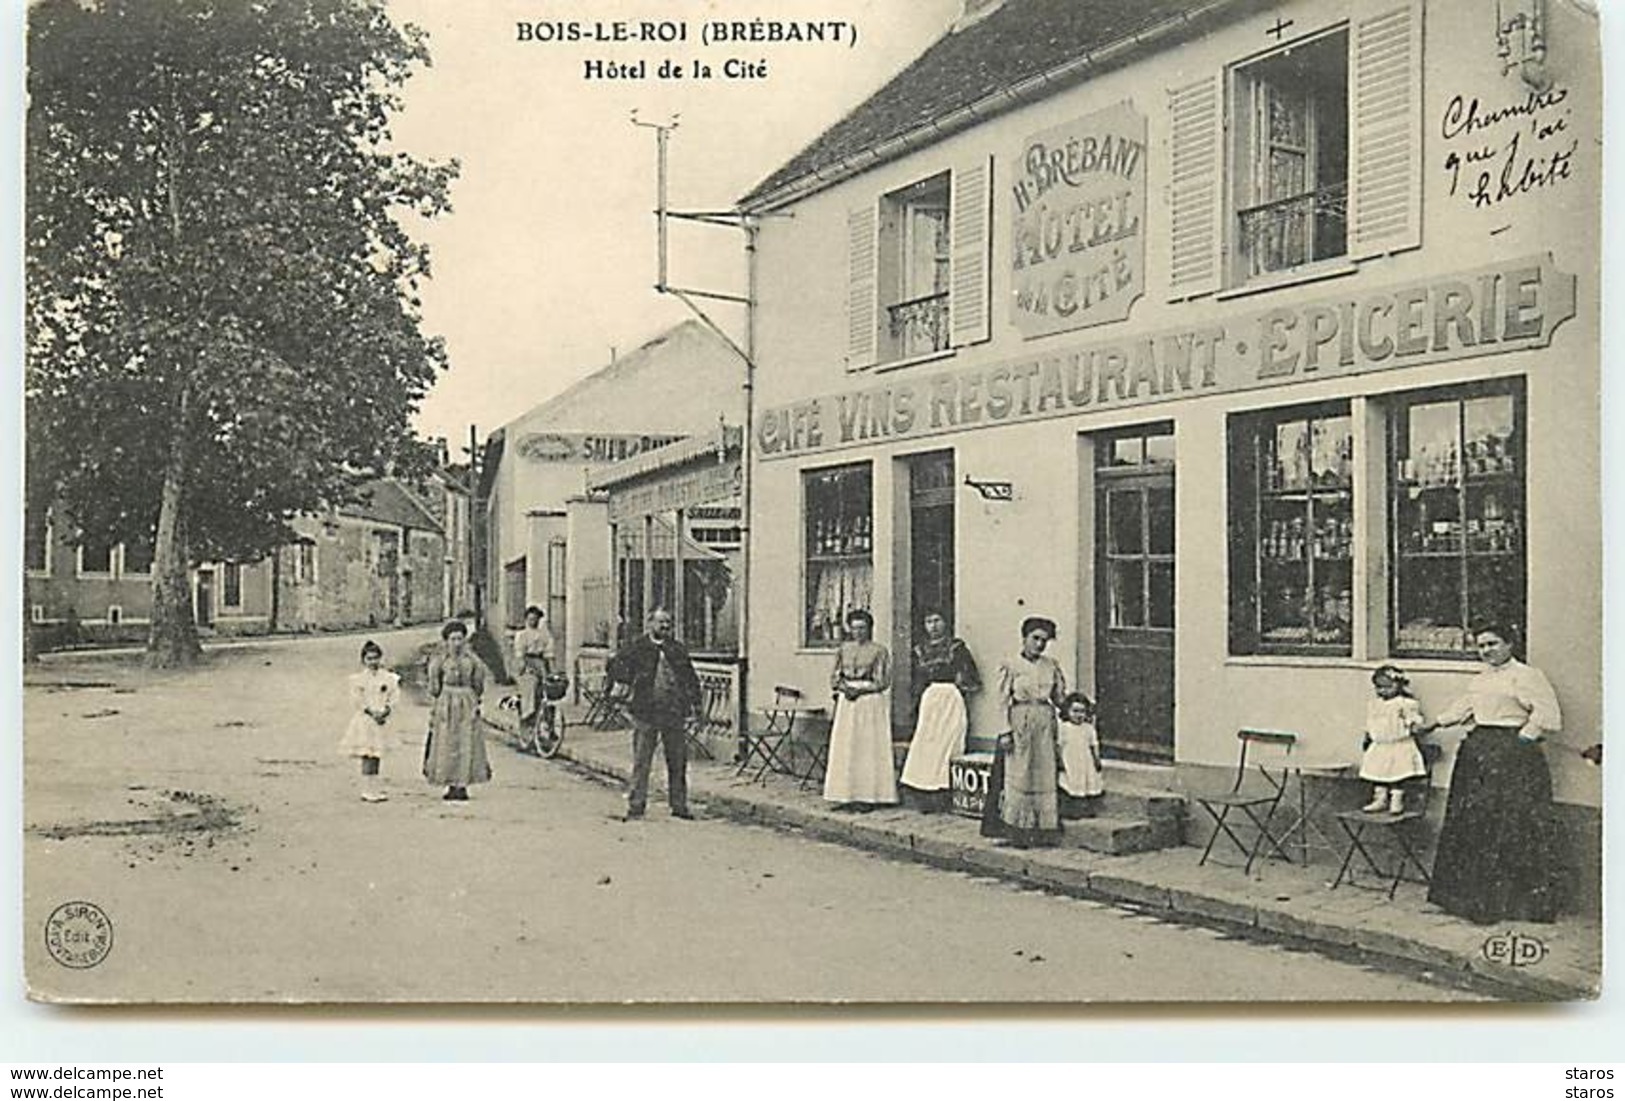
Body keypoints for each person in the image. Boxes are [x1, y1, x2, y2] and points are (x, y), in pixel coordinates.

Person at [1427, 623, 1567, 924]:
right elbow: (1464, 708)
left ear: (1510, 644)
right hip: (1479, 752)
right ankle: (1467, 900)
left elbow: (1549, 715)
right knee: (1473, 820)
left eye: (1492, 644)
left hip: (1512, 754)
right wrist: (1435, 723)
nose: (1486, 651)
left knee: (1508, 823)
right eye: (1481, 646)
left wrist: (1523, 740)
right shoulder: (1481, 679)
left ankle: (1509, 905)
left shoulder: (1527, 676)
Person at [607, 607, 702, 820]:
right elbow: (615, 665)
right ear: (650, 623)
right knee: (642, 761)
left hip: (673, 712)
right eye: (661, 622)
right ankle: (636, 805)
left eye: (668, 623)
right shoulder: (637, 647)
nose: (665, 626)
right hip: (645, 712)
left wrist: (696, 706)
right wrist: (624, 681)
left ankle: (679, 805)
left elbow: (690, 679)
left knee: (677, 761)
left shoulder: (677, 649)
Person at [984, 616, 1065, 847]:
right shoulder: (1010, 665)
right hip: (1020, 721)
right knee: (1020, 773)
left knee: (1043, 773)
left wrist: (1076, 708)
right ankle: (1017, 830)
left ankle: (1042, 829)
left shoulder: (1051, 665)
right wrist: (1005, 731)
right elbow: (1001, 701)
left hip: (1044, 722)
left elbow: (1059, 697)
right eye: (1035, 639)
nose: (1039, 645)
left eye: (1044, 641)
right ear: (1024, 638)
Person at [898, 611, 980, 813]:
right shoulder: (920, 650)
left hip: (951, 696)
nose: (933, 626)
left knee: (950, 742)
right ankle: (924, 790)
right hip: (931, 697)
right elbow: (918, 679)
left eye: (937, 621)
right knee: (927, 743)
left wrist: (959, 687)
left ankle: (945, 791)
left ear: (945, 623)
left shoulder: (956, 647)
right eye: (928, 621)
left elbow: (969, 674)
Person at [824, 609, 898, 812]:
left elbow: (883, 681)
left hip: (869, 702)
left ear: (870, 629)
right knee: (846, 747)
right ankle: (845, 794)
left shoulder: (879, 651)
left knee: (867, 748)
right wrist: (844, 688)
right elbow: (834, 677)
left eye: (863, 628)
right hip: (848, 702)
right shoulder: (843, 649)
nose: (858, 632)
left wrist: (861, 690)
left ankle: (868, 796)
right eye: (855, 628)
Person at [422, 619, 490, 802]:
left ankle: (462, 785)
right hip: (446, 702)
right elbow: (434, 688)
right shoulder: (439, 661)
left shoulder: (473, 661)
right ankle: (450, 784)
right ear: (446, 641)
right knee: (447, 743)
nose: (457, 643)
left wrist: (473, 700)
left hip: (467, 702)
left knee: (466, 742)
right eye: (452, 639)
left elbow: (478, 684)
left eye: (460, 639)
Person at [1359, 664, 1431, 814]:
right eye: (1379, 687)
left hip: (1399, 744)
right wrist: (1368, 737)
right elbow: (1370, 722)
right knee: (1378, 773)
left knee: (1397, 774)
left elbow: (1414, 720)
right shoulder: (1374, 704)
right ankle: (1380, 798)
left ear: (1398, 686)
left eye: (1387, 687)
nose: (1383, 691)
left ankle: (1396, 800)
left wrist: (1414, 726)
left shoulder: (1405, 704)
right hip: (1380, 744)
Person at [339, 639, 399, 803]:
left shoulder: (388, 678)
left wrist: (386, 710)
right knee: (368, 754)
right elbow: (357, 700)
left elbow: (394, 696)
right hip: (366, 720)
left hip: (381, 719)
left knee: (377, 754)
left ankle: (375, 787)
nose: (373, 662)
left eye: (376, 658)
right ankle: (367, 789)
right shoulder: (358, 679)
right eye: (369, 659)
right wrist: (371, 712)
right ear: (363, 660)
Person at [1056, 691, 1104, 819]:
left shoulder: (1088, 728)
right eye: (1075, 711)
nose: (1079, 715)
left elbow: (1094, 745)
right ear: (1067, 711)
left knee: (1087, 783)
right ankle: (1071, 811)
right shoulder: (1064, 728)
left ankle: (1087, 809)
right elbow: (1059, 746)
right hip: (1070, 761)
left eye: (1082, 712)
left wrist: (1096, 759)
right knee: (1070, 784)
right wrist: (1059, 761)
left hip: (1085, 761)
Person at [511, 605, 556, 730]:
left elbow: (549, 654)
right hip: (527, 662)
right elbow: (519, 654)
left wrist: (552, 671)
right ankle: (527, 716)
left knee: (548, 690)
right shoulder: (522, 635)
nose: (533, 622)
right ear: (526, 620)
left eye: (535, 619)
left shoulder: (544, 635)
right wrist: (523, 668)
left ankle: (549, 724)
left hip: (541, 663)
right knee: (530, 685)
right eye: (530, 619)